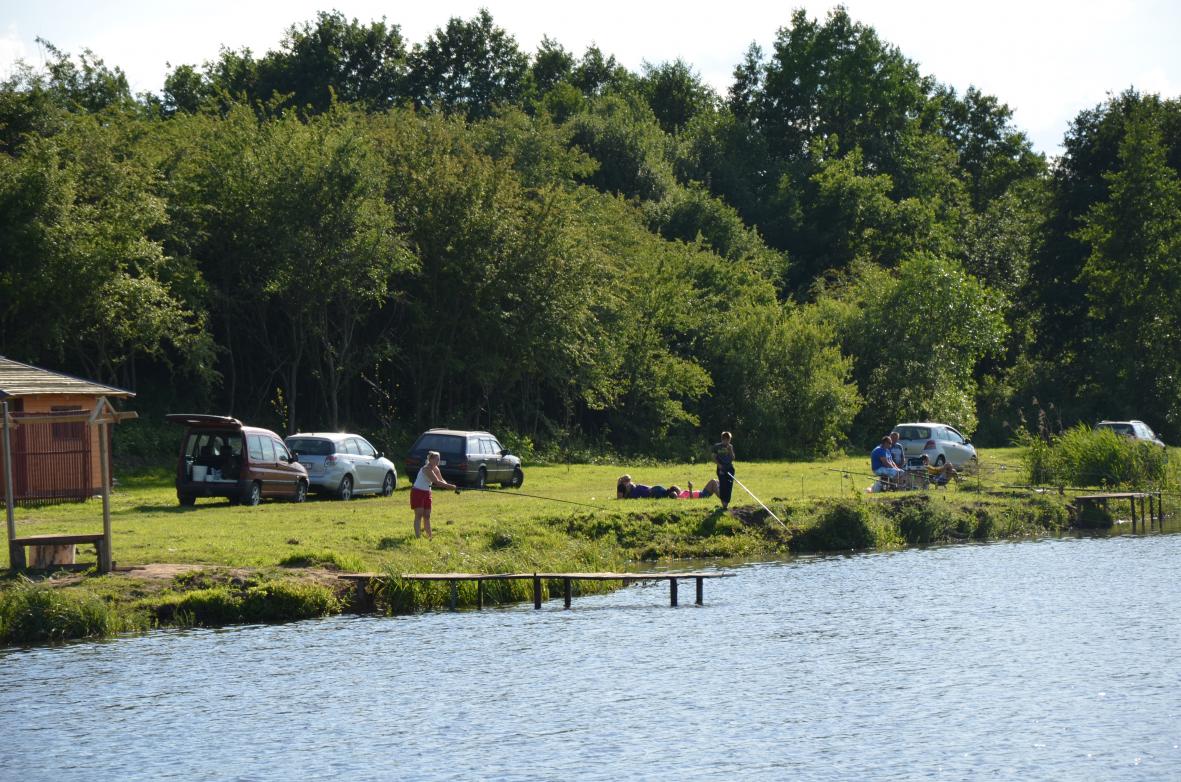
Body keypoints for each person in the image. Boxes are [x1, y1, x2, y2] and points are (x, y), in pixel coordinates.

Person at [411, 450, 459, 539]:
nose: (438, 461)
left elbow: (441, 480)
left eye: (439, 459)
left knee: (427, 515)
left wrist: (450, 487)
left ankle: (429, 537)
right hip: (417, 492)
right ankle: (418, 537)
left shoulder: (436, 468)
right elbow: (437, 482)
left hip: (427, 492)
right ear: (430, 460)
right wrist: (450, 486)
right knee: (419, 514)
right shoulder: (427, 469)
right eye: (436, 459)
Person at [712, 431, 736, 509]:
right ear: (722, 439)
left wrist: (730, 450)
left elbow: (733, 458)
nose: (727, 441)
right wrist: (719, 465)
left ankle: (726, 504)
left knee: (729, 486)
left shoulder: (730, 446)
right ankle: (723, 504)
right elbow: (713, 457)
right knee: (723, 486)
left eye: (729, 439)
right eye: (725, 439)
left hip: (730, 469)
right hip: (721, 469)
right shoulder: (717, 446)